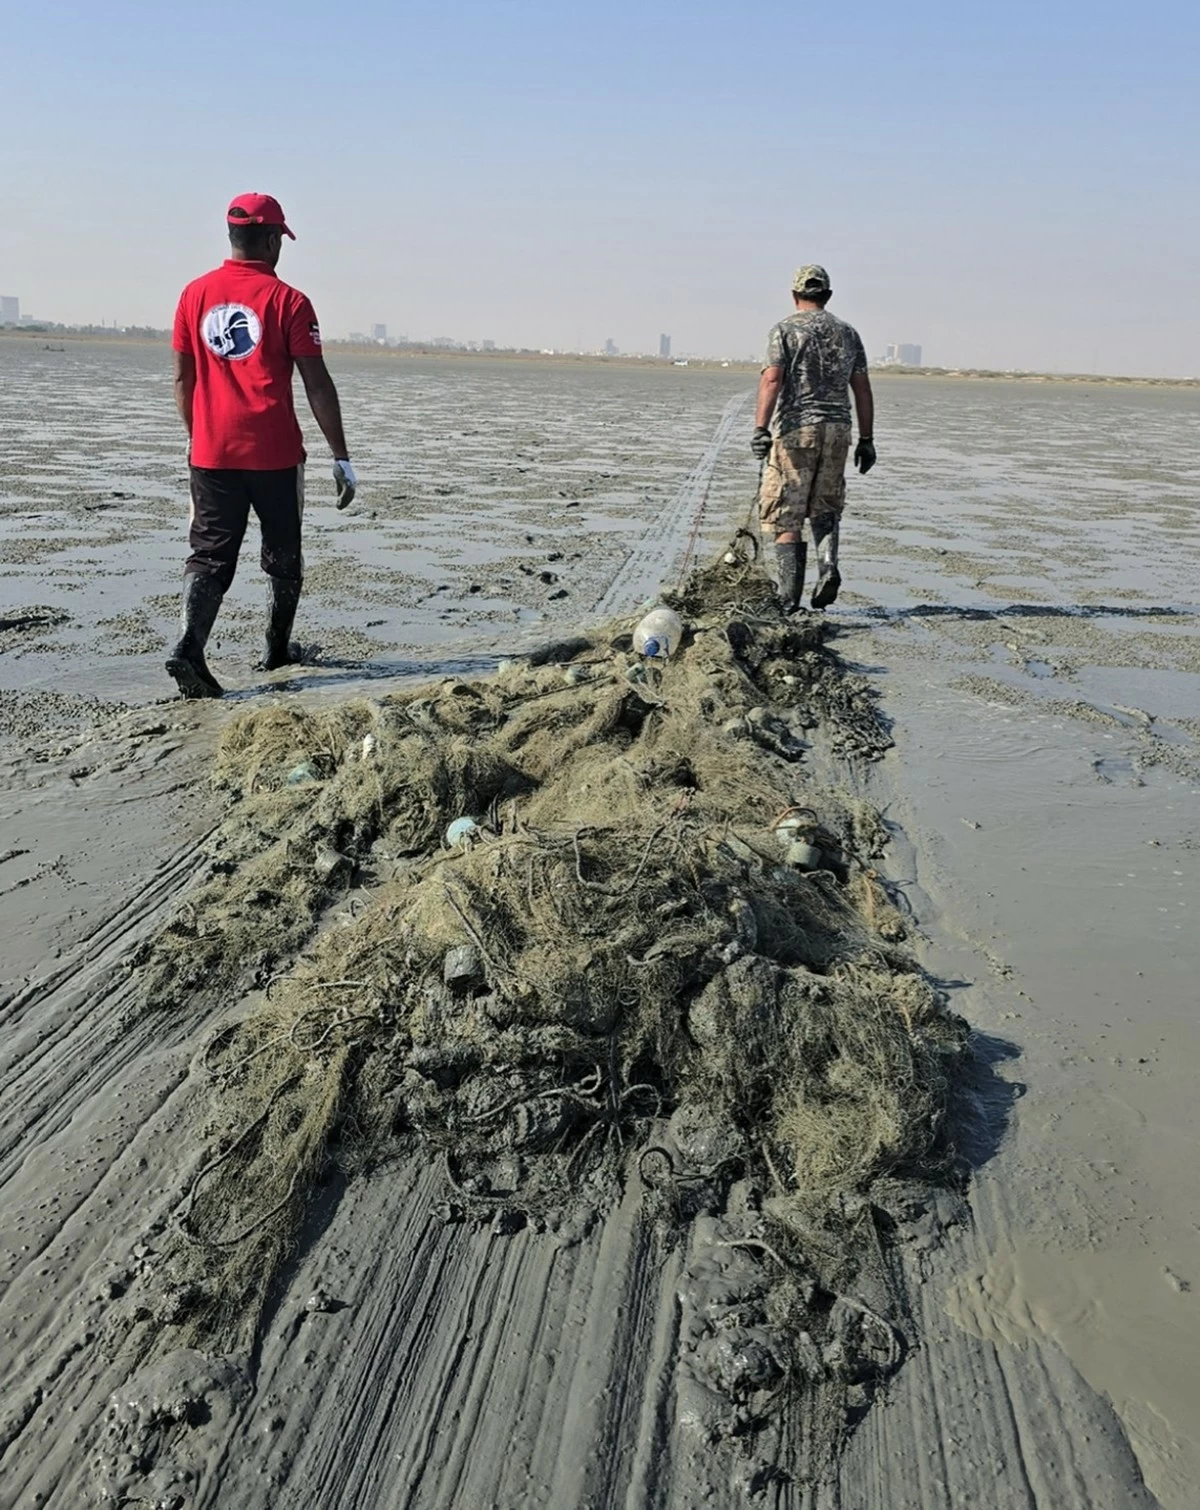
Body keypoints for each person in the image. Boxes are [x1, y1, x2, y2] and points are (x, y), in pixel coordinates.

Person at [167, 192, 358, 698]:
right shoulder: (290, 302)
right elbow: (317, 383)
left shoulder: (192, 295)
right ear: (273, 240)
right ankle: (275, 649)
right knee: (283, 555)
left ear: (233, 238)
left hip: (212, 454)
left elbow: (182, 380)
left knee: (207, 556)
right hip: (274, 455)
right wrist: (341, 456)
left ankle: (190, 644)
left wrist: (197, 438)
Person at [750, 264, 875, 613]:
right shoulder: (848, 333)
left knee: (786, 511)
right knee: (826, 505)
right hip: (838, 430)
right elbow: (862, 388)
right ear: (828, 296)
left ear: (795, 296)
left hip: (797, 430)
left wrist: (760, 429)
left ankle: (789, 600)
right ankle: (828, 567)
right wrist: (867, 438)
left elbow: (772, 380)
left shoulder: (784, 330)